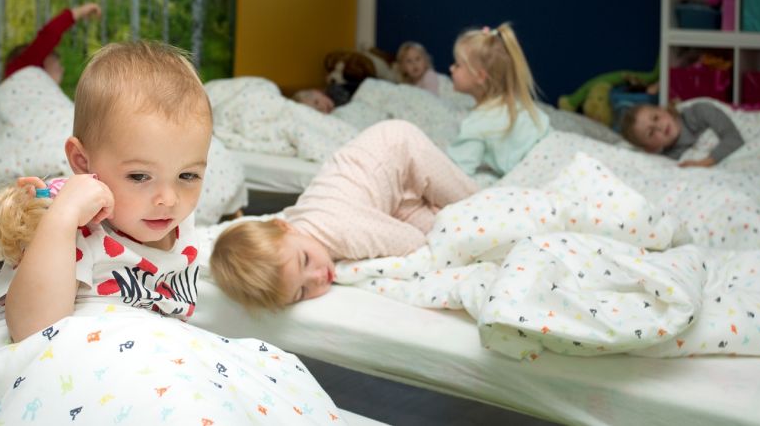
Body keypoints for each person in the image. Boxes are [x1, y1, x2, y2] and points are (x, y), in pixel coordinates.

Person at [0, 40, 213, 342]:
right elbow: (30, 330)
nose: (169, 199)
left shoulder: (177, 223)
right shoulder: (72, 226)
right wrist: (62, 219)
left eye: (188, 175)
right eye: (139, 176)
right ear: (82, 161)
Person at [210, 120, 479, 311]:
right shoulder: (293, 234)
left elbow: (414, 241)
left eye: (305, 260)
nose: (318, 277)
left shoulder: (346, 233)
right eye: (301, 292)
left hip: (398, 147)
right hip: (389, 198)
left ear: (285, 227)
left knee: (472, 206)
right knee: (447, 227)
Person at [446, 23, 549, 178]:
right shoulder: (519, 106)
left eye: (457, 65)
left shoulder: (477, 124)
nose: (451, 68)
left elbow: (454, 175)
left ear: (480, 76)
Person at [620, 101, 744, 167]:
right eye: (651, 132)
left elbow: (733, 138)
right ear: (650, 148)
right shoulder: (671, 159)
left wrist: (704, 163)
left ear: (662, 110)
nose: (659, 127)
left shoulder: (699, 112)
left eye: (656, 118)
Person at [3, 2, 102, 83]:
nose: (62, 70)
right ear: (44, 61)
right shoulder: (25, 67)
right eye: (58, 64)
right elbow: (50, 35)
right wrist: (81, 11)